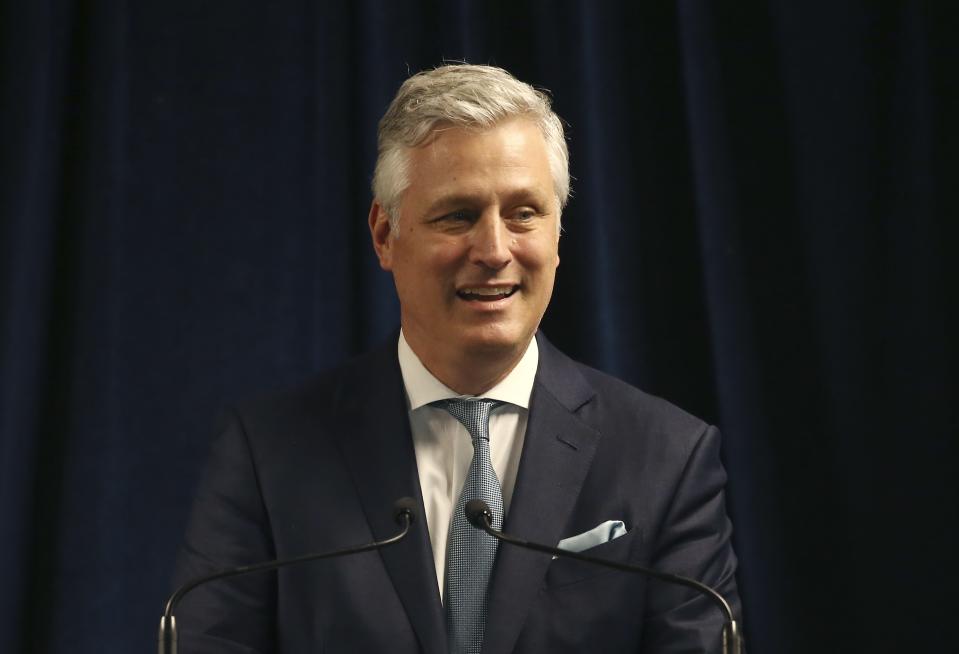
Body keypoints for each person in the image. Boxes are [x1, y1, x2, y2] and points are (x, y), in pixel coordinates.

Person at [173, 64, 742, 653]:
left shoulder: (668, 459)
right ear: (385, 234)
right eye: (458, 216)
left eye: (523, 213)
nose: (494, 250)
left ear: (558, 232)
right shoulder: (267, 453)